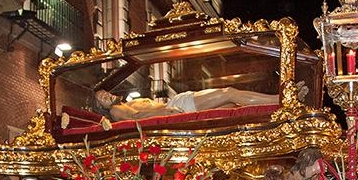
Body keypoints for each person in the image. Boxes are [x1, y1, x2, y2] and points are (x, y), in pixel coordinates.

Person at [95, 83, 308, 122]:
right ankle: (284, 99)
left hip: (178, 103)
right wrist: (169, 115)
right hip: (179, 108)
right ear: (102, 107)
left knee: (234, 103)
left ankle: (284, 99)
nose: (105, 96)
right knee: (230, 94)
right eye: (101, 99)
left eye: (104, 93)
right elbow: (137, 118)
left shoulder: (133, 100)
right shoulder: (116, 111)